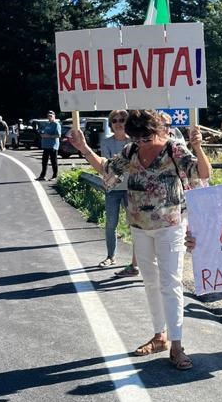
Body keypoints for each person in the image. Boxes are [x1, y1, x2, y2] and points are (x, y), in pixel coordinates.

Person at [70, 110, 211, 369]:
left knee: (171, 283)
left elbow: (202, 173)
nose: (142, 143)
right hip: (138, 226)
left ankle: (177, 345)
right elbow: (106, 168)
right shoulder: (131, 151)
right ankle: (160, 336)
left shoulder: (174, 150)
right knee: (150, 282)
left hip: (170, 225)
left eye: (146, 138)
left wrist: (198, 147)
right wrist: (83, 147)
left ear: (159, 130)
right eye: (137, 138)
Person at [98, 110, 134, 269]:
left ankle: (136, 261)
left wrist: (118, 164)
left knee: (135, 225)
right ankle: (110, 256)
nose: (119, 123)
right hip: (112, 188)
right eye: (115, 120)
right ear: (111, 124)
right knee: (111, 223)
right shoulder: (106, 142)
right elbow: (107, 165)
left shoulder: (134, 141)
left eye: (122, 120)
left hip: (132, 189)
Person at [37, 110, 62, 181]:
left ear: (54, 116)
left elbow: (58, 135)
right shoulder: (48, 124)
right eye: (48, 116)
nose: (49, 117)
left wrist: (48, 136)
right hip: (46, 146)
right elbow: (45, 133)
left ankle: (55, 176)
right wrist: (42, 135)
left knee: (53, 161)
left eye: (51, 116)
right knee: (44, 161)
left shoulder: (56, 124)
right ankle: (42, 176)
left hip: (53, 146)